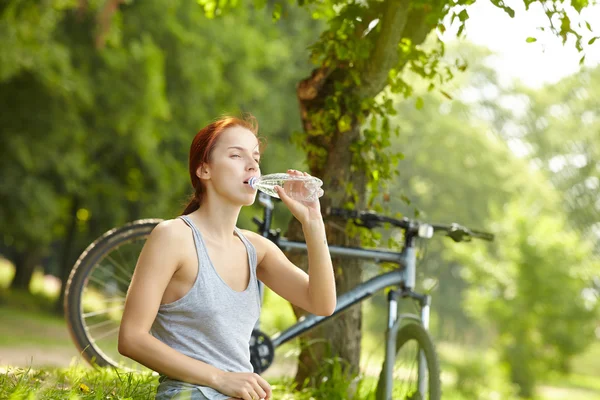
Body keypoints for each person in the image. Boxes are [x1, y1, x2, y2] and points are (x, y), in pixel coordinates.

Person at [118, 115, 337, 400]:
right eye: (236, 155)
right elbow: (131, 338)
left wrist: (313, 222)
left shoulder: (256, 249)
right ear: (204, 170)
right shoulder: (174, 237)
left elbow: (322, 303)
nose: (252, 165)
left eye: (256, 158)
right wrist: (220, 378)